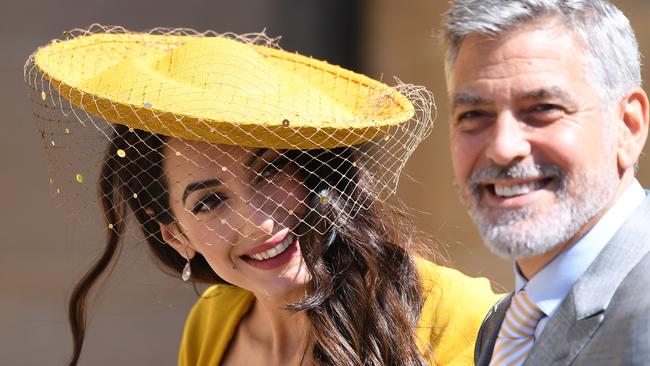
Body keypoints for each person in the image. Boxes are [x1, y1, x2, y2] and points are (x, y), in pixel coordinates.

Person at [25, 25, 499, 366]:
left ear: (314, 172)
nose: (257, 222)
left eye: (270, 173)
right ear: (175, 235)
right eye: (209, 202)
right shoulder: (212, 325)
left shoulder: (463, 319)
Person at [442, 0, 650, 365]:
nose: (504, 147)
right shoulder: (502, 326)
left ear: (627, 127)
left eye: (543, 109)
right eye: (474, 115)